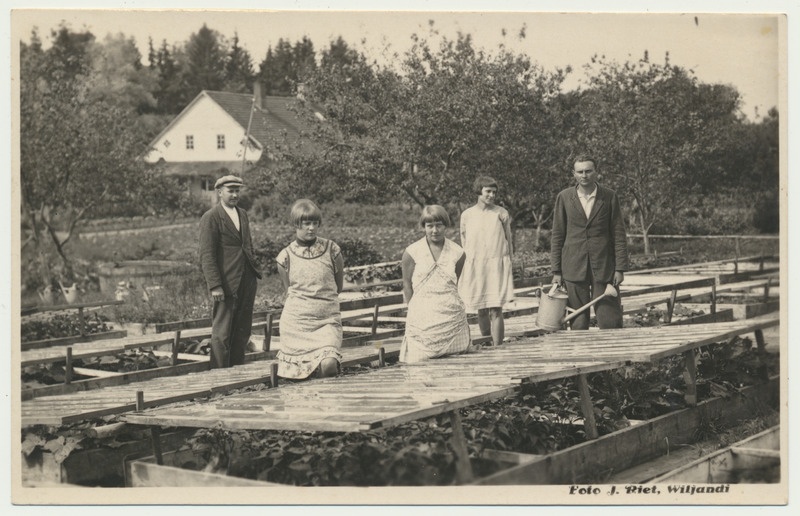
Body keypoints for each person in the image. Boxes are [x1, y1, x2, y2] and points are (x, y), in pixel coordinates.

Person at [550, 154, 629, 330]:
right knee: (577, 321)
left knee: (610, 319)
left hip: (604, 266)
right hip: (573, 267)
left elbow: (618, 234)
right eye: (580, 172)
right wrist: (556, 271)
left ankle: (613, 356)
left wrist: (620, 268)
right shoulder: (564, 198)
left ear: (596, 172)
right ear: (574, 174)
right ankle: (581, 355)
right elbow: (557, 235)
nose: (584, 175)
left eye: (588, 171)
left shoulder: (609, 197)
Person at [275, 199, 343, 379]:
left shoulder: (332, 250)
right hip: (296, 325)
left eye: (315, 223)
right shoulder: (285, 256)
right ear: (296, 224)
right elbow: (289, 290)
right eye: (306, 223)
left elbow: (338, 286)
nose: (311, 228)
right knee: (296, 377)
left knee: (328, 366)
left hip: (326, 321)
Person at [199, 175, 262, 368]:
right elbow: (207, 255)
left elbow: (247, 245)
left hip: (247, 278)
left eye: (237, 191)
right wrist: (215, 285)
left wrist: (253, 270)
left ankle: (237, 375)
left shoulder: (242, 214)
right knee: (222, 333)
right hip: (226, 283)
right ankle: (219, 377)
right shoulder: (211, 217)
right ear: (219, 192)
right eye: (230, 191)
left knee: (242, 330)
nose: (235, 195)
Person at [400, 205, 472, 363]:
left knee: (457, 369)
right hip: (422, 322)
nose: (434, 230)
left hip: (452, 322)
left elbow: (455, 284)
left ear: (445, 225)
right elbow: (407, 285)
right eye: (429, 226)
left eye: (439, 225)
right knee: (419, 368)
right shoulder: (412, 252)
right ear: (423, 227)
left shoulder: (458, 252)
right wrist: (414, 312)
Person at [458, 176, 515, 346]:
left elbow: (508, 240)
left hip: (496, 265)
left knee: (496, 308)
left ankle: (498, 347)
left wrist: (509, 262)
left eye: (494, 192)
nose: (491, 195)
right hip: (477, 265)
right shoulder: (467, 215)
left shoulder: (501, 213)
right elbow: (464, 241)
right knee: (481, 308)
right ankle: (486, 342)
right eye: (488, 191)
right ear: (479, 191)